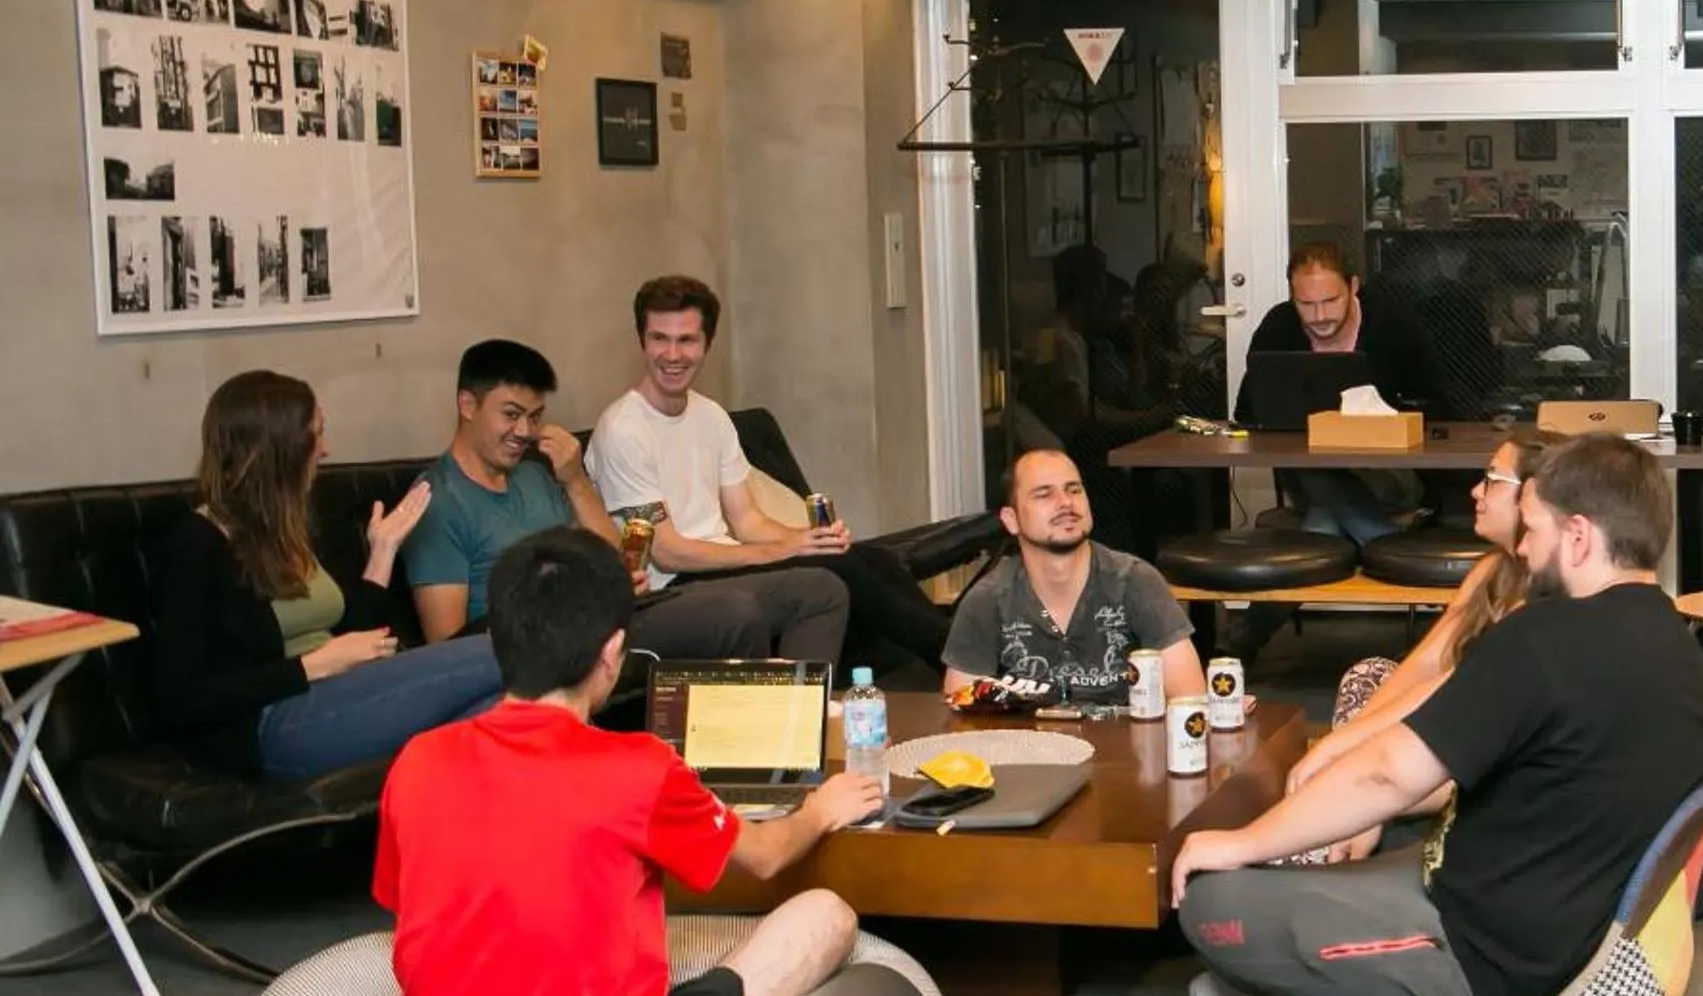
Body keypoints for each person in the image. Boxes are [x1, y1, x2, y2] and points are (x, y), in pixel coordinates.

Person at [1169, 433, 1703, 996]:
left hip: (1495, 972)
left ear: (1578, 537)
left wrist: (1241, 842)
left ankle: (1335, 993)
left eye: (1534, 530)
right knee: (1312, 884)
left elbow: (1388, 774)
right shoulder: (1681, 645)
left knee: (1211, 903)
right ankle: (1335, 983)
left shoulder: (1542, 637)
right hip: (1554, 922)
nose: (1525, 547)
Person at [374, 526, 884, 996]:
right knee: (826, 915)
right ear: (613, 651)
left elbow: (407, 904)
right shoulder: (641, 768)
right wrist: (821, 809)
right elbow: (765, 857)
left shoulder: (417, 760)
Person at [402, 339, 850, 664]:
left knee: (820, 590)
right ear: (467, 404)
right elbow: (447, 645)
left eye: (534, 417)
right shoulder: (437, 502)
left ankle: (799, 731)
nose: (524, 432)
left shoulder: (535, 477)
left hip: (618, 610)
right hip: (555, 640)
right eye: (511, 415)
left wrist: (577, 482)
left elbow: (620, 561)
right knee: (733, 613)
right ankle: (762, 753)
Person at [584, 275, 954, 668]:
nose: (672, 354)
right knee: (833, 574)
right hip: (673, 585)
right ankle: (965, 666)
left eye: (687, 340)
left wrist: (808, 539)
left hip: (722, 563)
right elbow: (668, 552)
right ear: (642, 340)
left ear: (707, 343)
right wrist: (781, 550)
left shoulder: (710, 416)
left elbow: (747, 520)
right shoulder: (624, 429)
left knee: (870, 558)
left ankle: (954, 664)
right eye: (660, 338)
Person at [152, 371, 501, 782]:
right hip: (275, 723)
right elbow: (182, 699)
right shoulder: (197, 543)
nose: (326, 450)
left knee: (504, 708)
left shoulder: (287, 530)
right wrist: (312, 666)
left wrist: (383, 552)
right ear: (279, 450)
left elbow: (357, 635)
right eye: (315, 436)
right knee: (513, 650)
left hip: (341, 696)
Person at [1277, 427, 1555, 864]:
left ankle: (1356, 816)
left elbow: (1454, 686)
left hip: (1485, 754)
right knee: (1369, 672)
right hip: (1445, 723)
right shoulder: (1490, 571)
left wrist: (1350, 773)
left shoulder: (1549, 594)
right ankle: (1359, 810)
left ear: (1533, 496)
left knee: (1328, 809)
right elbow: (1429, 660)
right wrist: (1349, 746)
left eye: (1492, 478)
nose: (1475, 490)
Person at [942, 449, 1204, 705]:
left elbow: (1190, 699)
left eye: (1074, 490)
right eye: (1044, 494)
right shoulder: (988, 599)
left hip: (1125, 746)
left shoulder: (1135, 581)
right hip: (1026, 746)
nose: (1066, 502)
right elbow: (961, 716)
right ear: (1012, 520)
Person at [1235, 241, 1449, 542]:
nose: (1319, 315)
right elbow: (1247, 411)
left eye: (1331, 301)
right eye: (1306, 305)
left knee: (1322, 509)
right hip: (1305, 464)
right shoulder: (1279, 327)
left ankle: (1366, 546)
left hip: (1388, 468)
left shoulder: (1393, 325)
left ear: (1353, 286)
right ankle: (1384, 546)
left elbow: (1437, 405)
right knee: (1317, 471)